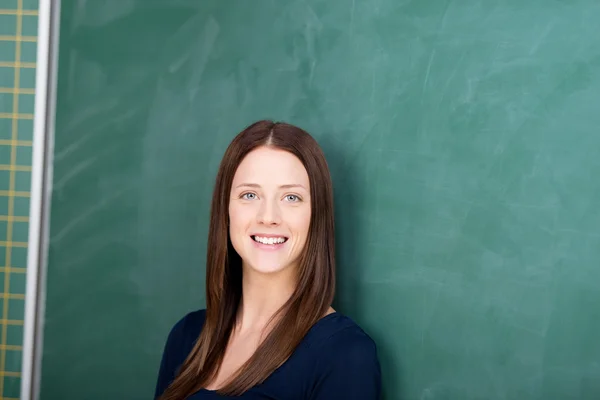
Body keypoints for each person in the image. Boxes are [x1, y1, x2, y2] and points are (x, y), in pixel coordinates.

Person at [154, 120, 381, 399]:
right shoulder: (187, 336)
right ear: (226, 211)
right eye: (249, 195)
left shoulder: (344, 353)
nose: (269, 216)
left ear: (316, 216)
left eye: (291, 197)